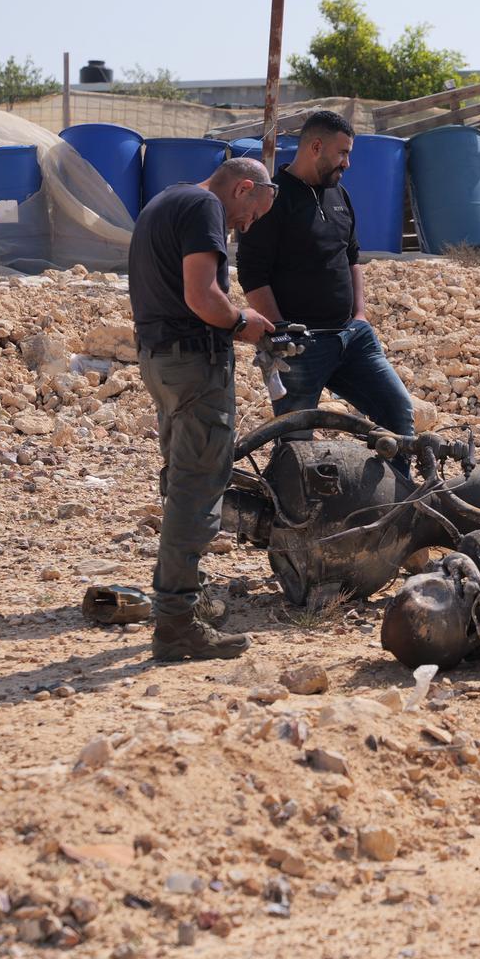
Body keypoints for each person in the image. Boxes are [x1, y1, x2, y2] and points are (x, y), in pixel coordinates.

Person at [130, 157, 277, 661]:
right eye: (252, 213)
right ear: (242, 189)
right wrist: (242, 322)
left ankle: (184, 596)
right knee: (198, 486)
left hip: (160, 361)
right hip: (194, 365)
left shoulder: (166, 199)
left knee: (181, 477)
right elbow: (202, 294)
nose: (247, 225)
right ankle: (176, 622)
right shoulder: (203, 208)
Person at [237, 110, 414, 455]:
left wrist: (359, 314)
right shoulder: (272, 200)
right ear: (316, 147)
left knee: (398, 415)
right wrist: (281, 330)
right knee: (296, 441)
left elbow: (351, 257)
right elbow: (251, 272)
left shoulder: (340, 196)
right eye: (343, 153)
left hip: (352, 337)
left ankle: (398, 504)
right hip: (301, 347)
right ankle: (293, 508)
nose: (347, 163)